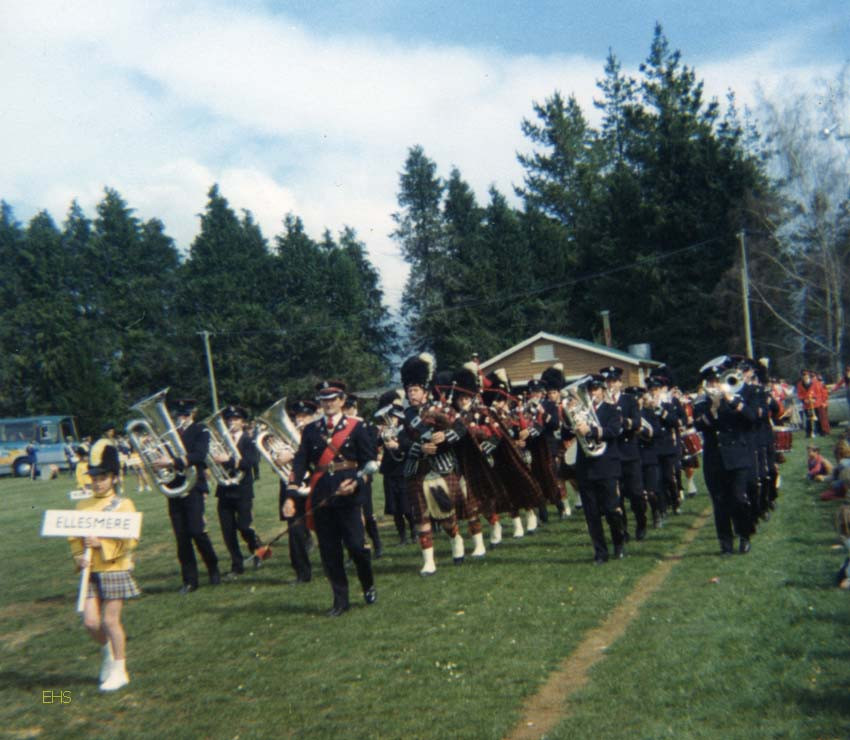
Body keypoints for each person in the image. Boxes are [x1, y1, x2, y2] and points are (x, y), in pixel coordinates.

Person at [286, 380, 377, 616]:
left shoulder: (356, 427)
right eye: (324, 400)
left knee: (357, 547)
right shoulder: (311, 430)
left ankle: (368, 584)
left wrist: (356, 482)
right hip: (321, 494)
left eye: (333, 399)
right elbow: (300, 461)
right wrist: (292, 489)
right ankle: (340, 600)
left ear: (342, 401)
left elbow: (370, 463)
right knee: (329, 551)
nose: (328, 404)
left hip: (349, 493)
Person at [68, 439, 140, 692]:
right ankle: (108, 654)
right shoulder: (82, 505)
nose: (97, 482)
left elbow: (130, 541)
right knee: (90, 622)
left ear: (113, 478)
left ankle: (120, 670)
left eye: (103, 477)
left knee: (110, 621)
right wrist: (79, 556)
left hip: (114, 569)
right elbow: (74, 538)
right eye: (94, 477)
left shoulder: (123, 505)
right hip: (90, 571)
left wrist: (102, 545)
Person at [693, 358, 757, 555]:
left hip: (737, 456)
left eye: (717, 379)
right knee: (720, 503)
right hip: (715, 458)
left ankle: (744, 534)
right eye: (711, 381)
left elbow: (751, 418)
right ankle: (725, 544)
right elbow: (699, 425)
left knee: (738, 498)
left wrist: (731, 400)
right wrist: (713, 408)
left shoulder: (742, 393)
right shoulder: (702, 401)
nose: (715, 384)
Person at [160, 398, 221, 594]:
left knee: (196, 531)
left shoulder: (200, 430)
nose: (182, 418)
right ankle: (189, 580)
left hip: (194, 486)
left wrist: (172, 461)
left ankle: (212, 566)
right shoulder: (168, 435)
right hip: (174, 487)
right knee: (181, 537)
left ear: (193, 414)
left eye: (186, 414)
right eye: (179, 414)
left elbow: (200, 455)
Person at [568, 374, 626, 564]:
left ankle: (618, 541)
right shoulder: (579, 411)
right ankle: (600, 553)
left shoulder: (612, 409)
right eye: (589, 390)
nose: (593, 393)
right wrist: (570, 418)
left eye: (596, 389)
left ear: (603, 391)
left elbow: (614, 431)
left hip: (607, 466)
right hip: (586, 467)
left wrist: (591, 431)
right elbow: (565, 433)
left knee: (611, 510)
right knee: (591, 514)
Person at [212, 405, 263, 577]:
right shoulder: (221, 441)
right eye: (230, 420)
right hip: (224, 490)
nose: (232, 422)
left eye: (236, 420)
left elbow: (250, 463)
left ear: (243, 422)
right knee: (228, 531)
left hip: (242, 490)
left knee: (244, 526)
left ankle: (257, 548)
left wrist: (229, 460)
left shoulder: (248, 441)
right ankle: (237, 565)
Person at [278, 400, 317, 584]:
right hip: (292, 490)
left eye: (304, 416)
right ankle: (302, 573)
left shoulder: (319, 434)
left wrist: (294, 455)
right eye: (297, 417)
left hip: (316, 486)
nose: (300, 420)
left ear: (313, 417)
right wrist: (280, 459)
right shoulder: (285, 439)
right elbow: (276, 462)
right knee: (295, 532)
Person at [343, 394, 382, 558]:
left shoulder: (365, 426)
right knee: (349, 515)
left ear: (355, 407)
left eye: (349, 408)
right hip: (344, 474)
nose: (347, 411)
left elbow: (372, 451)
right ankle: (354, 551)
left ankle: (377, 543)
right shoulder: (339, 427)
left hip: (362, 472)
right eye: (345, 408)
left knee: (367, 512)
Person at [375, 389, 414, 545]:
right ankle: (402, 537)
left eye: (393, 417)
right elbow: (374, 444)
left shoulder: (406, 431)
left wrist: (397, 446)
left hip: (403, 471)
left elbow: (411, 446)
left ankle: (414, 533)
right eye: (389, 417)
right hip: (389, 471)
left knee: (406, 507)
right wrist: (380, 437)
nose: (391, 420)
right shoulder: (385, 431)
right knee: (395, 508)